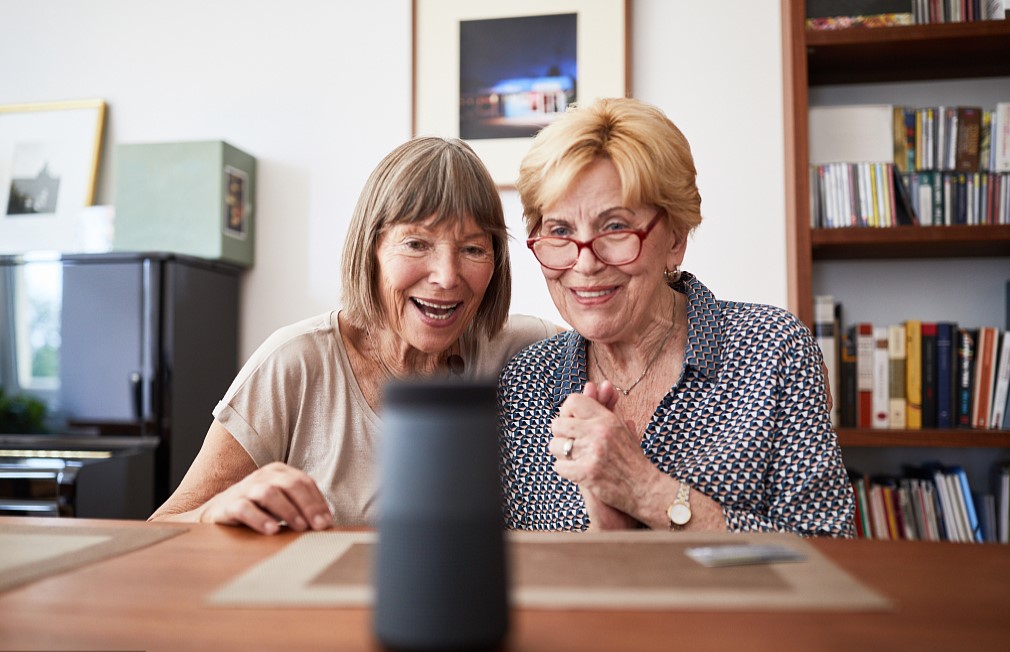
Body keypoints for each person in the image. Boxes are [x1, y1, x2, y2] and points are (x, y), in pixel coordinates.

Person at [150, 136, 557, 534]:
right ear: (371, 249)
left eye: (472, 249)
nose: (447, 276)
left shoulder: (522, 350)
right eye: (416, 243)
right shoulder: (294, 364)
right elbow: (160, 529)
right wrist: (212, 513)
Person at [499, 98, 855, 536]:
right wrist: (608, 536)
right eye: (559, 230)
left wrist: (646, 490)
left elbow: (827, 549)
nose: (585, 263)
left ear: (675, 239)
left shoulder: (772, 350)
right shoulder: (525, 383)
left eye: (615, 227)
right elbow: (517, 566)